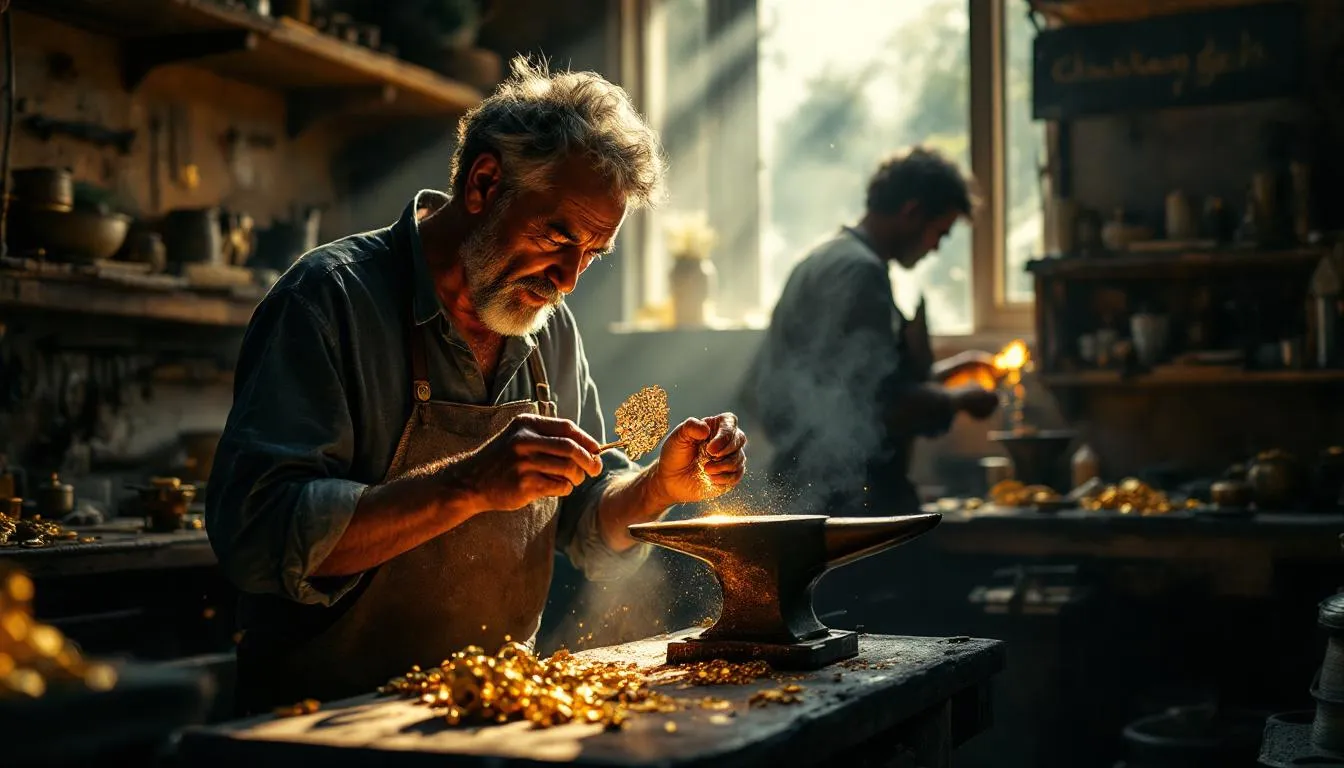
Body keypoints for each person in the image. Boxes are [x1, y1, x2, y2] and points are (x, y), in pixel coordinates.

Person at [206, 57, 748, 713]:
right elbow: (258, 541)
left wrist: (656, 488)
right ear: (485, 183)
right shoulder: (329, 300)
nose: (568, 279)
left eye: (591, 255)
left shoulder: (549, 327)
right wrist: (466, 485)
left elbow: (583, 523)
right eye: (557, 236)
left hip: (485, 710)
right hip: (324, 722)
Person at [743, 146, 998, 517]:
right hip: (846, 493)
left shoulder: (824, 259)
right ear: (911, 212)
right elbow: (875, 404)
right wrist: (959, 400)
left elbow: (854, 379)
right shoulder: (861, 274)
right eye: (938, 234)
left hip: (810, 483)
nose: (936, 249)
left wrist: (955, 370)